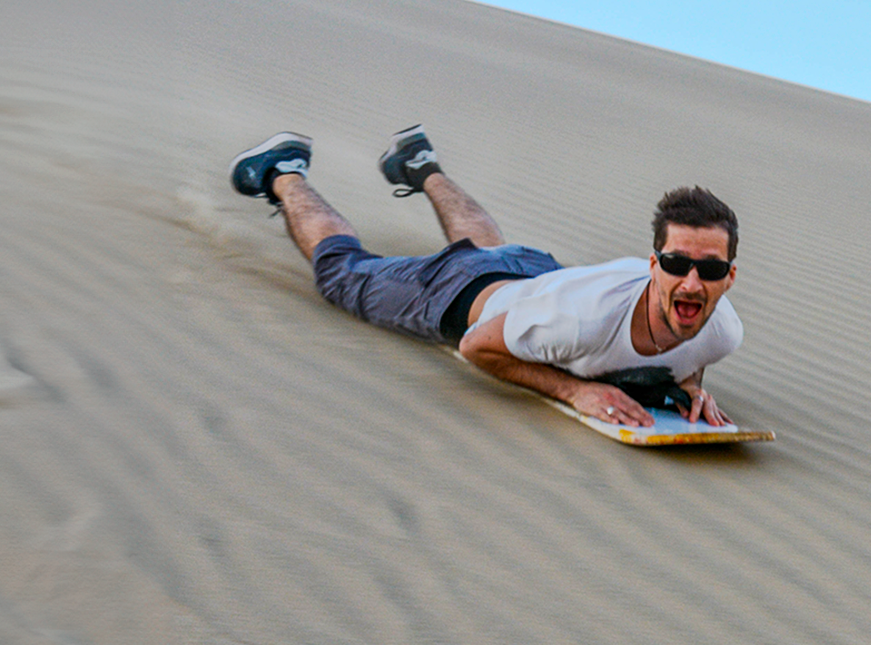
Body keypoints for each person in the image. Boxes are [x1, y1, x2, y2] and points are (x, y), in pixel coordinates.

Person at [228, 125, 741, 427]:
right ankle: (283, 171)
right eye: (676, 264)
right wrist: (574, 392)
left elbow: (689, 344)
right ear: (654, 264)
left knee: (493, 250)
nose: (693, 282)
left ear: (729, 278)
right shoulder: (580, 320)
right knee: (343, 276)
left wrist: (690, 383)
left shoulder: (720, 332)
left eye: (710, 270)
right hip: (459, 294)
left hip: (534, 274)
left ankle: (419, 163)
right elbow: (476, 346)